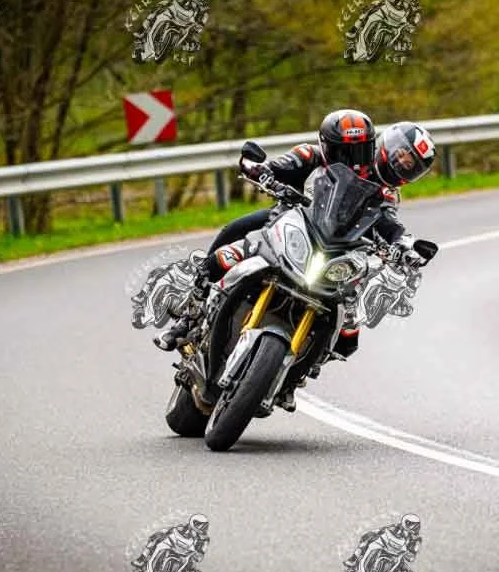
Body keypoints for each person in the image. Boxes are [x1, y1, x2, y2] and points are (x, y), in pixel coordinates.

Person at [152, 113, 437, 410]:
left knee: (347, 335)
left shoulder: (387, 195)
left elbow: (391, 226)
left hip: (336, 252)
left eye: (411, 165)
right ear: (386, 145)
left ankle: (297, 374)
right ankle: (189, 313)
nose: (403, 164)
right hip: (291, 224)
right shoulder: (315, 154)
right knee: (233, 237)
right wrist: (262, 171)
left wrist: (404, 247)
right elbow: (280, 166)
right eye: (402, 155)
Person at [343, 514, 423, 572]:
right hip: (384, 548)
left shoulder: (416, 540)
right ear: (406, 522)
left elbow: (412, 556)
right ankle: (354, 559)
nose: (414, 527)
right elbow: (380, 530)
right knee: (367, 539)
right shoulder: (395, 527)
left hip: (397, 556)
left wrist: (409, 554)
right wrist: (372, 534)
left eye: (416, 525)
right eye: (412, 524)